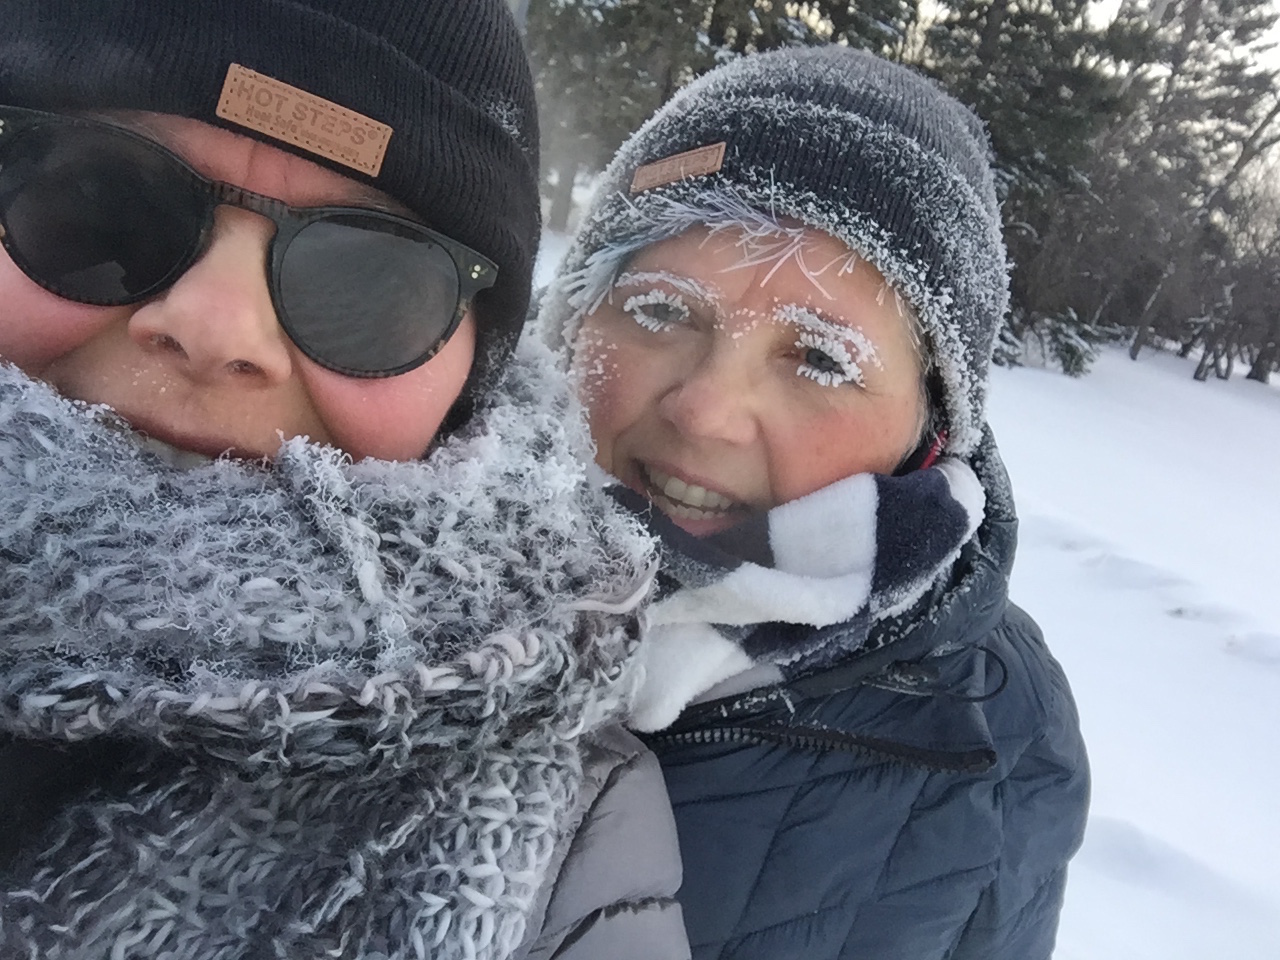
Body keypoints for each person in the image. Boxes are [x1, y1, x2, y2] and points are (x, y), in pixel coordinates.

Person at [0, 2, 690, 958]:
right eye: (102, 202)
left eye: (367, 278)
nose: (215, 327)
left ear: (472, 377)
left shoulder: (577, 853)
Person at [540, 45, 1090, 960]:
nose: (706, 411)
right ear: (571, 322)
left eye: (820, 358)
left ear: (930, 431)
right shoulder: (369, 527)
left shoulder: (989, 745)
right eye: (660, 311)